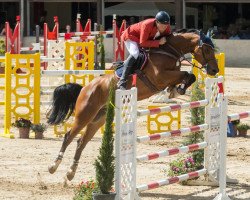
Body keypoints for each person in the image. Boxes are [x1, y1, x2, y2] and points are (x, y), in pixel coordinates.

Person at [117, 11, 172, 90]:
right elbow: (143, 43)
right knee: (135, 53)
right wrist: (158, 42)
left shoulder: (167, 27)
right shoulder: (147, 25)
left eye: (166, 25)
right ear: (156, 22)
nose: (164, 27)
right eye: (162, 25)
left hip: (144, 39)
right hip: (131, 37)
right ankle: (122, 80)